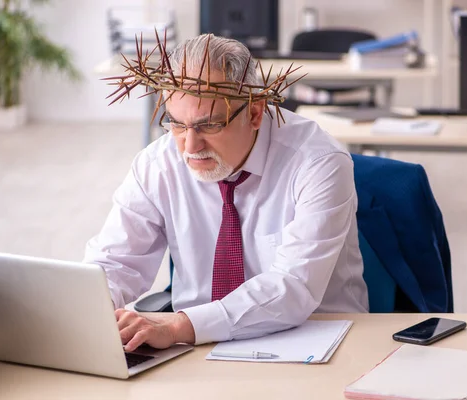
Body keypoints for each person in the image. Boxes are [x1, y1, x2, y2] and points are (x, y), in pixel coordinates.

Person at [84, 33, 368, 352]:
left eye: (209, 125)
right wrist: (92, 310)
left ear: (255, 112)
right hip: (198, 345)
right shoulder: (157, 164)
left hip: (316, 340)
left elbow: (294, 286)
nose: (190, 147)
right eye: (176, 124)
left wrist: (181, 325)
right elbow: (115, 261)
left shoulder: (317, 162)